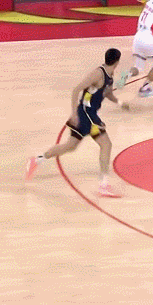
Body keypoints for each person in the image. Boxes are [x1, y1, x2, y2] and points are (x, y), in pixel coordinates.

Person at [25, 48, 129, 197]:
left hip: (88, 114)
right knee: (106, 145)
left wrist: (120, 103)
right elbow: (76, 90)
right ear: (117, 61)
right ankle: (103, 185)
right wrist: (74, 113)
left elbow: (107, 93)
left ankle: (36, 160)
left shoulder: (110, 75)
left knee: (70, 146)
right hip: (86, 114)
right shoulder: (98, 74)